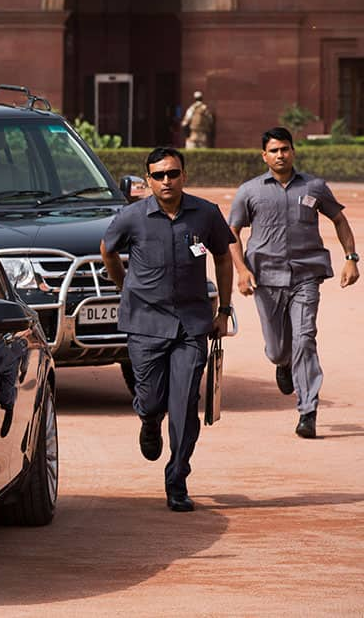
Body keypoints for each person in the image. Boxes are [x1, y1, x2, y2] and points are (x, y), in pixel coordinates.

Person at [100, 146, 234, 512]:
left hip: (191, 325)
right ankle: (148, 420)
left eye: (172, 173)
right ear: (148, 180)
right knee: (153, 399)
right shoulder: (132, 217)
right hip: (144, 324)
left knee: (185, 403)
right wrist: (124, 286)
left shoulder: (205, 215)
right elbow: (107, 250)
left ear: (184, 176)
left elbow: (223, 257)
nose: (166, 181)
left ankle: (177, 479)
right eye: (158, 175)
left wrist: (224, 309)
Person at [228, 127, 358, 439]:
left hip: (306, 274)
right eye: (274, 150)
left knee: (305, 338)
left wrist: (351, 258)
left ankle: (307, 410)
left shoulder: (315, 186)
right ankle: (282, 364)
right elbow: (231, 233)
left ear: (293, 151)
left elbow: (339, 219)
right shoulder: (250, 191)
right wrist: (241, 271)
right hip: (266, 278)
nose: (280, 155)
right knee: (276, 349)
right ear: (264, 156)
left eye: (285, 149)